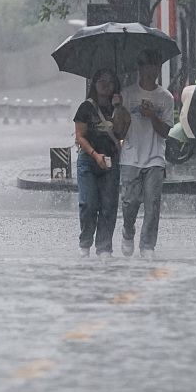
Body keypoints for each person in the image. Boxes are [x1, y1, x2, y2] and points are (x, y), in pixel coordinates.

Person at [117, 49, 174, 258]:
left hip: (155, 158)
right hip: (131, 156)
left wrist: (152, 116)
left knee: (153, 204)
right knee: (129, 202)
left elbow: (166, 132)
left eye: (155, 67)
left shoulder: (165, 98)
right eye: (147, 67)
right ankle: (128, 230)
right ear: (140, 69)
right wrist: (121, 111)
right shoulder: (127, 94)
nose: (151, 72)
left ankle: (148, 245)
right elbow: (119, 129)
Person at [73, 68, 125, 257]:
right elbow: (80, 136)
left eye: (110, 82)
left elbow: (120, 131)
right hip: (88, 161)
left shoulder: (117, 107)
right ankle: (85, 243)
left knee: (109, 205)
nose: (105, 85)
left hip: (111, 162)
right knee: (88, 202)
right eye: (101, 81)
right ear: (94, 84)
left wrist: (118, 108)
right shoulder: (86, 108)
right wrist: (95, 155)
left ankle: (104, 247)